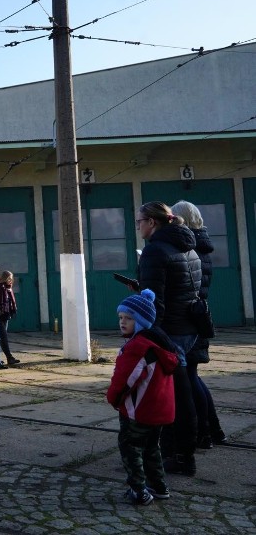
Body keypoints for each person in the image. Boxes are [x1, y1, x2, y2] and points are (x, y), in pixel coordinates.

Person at [136, 201, 200, 476]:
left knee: (175, 396)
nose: (137, 226)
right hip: (188, 327)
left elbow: (155, 303)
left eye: (139, 221)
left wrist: (151, 336)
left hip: (169, 332)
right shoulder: (189, 247)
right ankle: (178, 452)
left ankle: (181, 455)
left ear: (152, 222)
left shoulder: (154, 251)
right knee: (181, 392)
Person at [107, 289, 179, 505]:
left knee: (130, 448)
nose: (123, 322)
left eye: (129, 318)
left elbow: (126, 379)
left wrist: (114, 398)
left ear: (141, 321)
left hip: (138, 410)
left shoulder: (138, 347)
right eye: (121, 317)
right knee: (151, 448)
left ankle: (139, 490)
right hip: (158, 409)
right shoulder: (160, 343)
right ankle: (159, 486)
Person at [170, 200, 227, 448]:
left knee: (190, 379)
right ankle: (213, 430)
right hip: (197, 317)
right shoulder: (202, 245)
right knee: (193, 377)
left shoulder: (188, 247)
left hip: (187, 320)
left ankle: (204, 433)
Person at [0, 270, 21, 366]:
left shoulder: (8, 288)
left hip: (6, 315)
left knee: (1, 337)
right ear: (5, 278)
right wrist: (1, 311)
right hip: (0, 315)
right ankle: (8, 358)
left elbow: (10, 302)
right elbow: (2, 302)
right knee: (2, 337)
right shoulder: (1, 287)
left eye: (12, 279)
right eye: (9, 278)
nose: (11, 280)